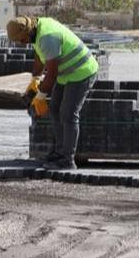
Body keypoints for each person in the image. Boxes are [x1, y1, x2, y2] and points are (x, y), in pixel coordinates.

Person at [6, 15, 99, 170]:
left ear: (28, 32)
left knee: (68, 114)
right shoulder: (37, 31)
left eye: (21, 40)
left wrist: (40, 96)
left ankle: (67, 160)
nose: (22, 44)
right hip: (66, 73)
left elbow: (52, 73)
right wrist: (35, 79)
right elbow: (39, 56)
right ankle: (59, 152)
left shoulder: (48, 37)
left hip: (81, 71)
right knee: (55, 109)